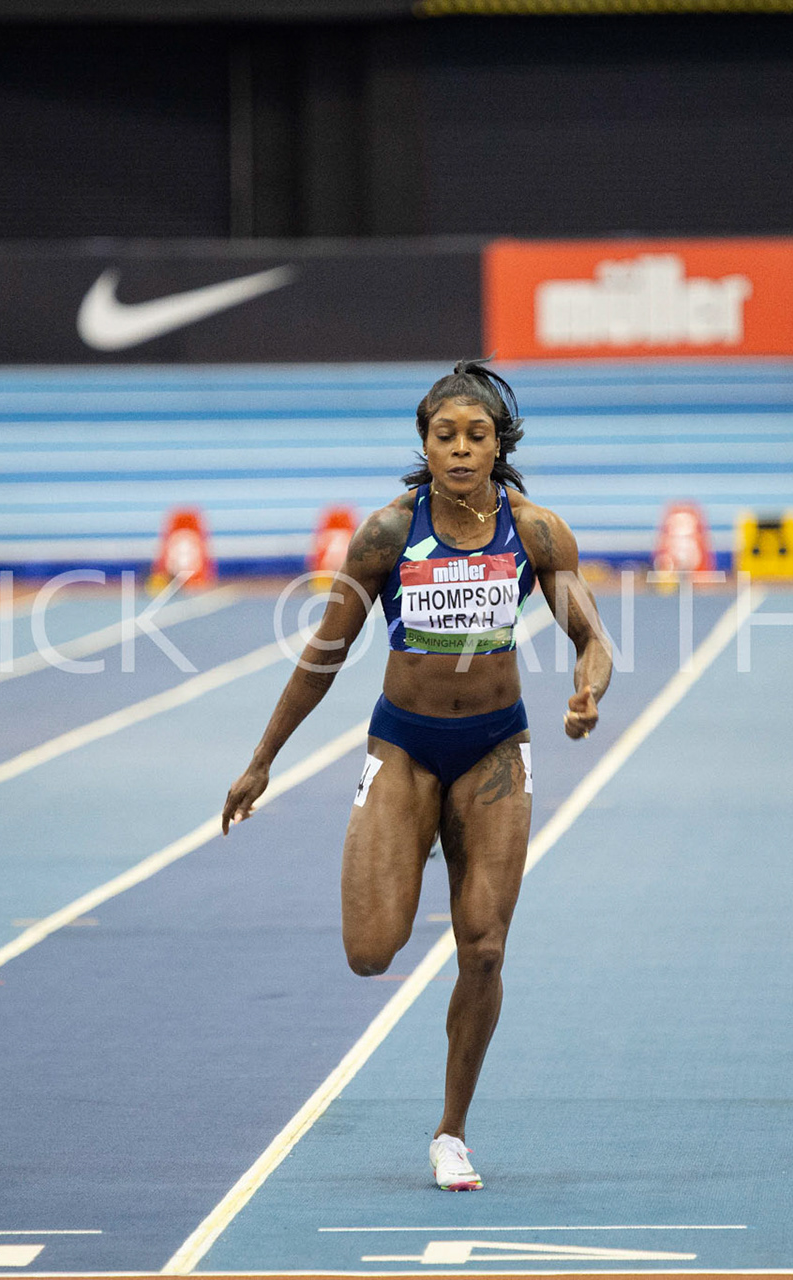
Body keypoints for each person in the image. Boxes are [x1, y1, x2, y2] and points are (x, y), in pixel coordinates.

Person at [222, 360, 611, 1190]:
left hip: (495, 752)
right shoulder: (387, 536)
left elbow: (594, 639)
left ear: (498, 445)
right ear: (425, 445)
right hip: (402, 748)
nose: (462, 449)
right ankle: (407, 838)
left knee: (485, 947)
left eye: (477, 435)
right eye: (446, 436)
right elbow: (323, 656)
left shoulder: (536, 533)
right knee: (371, 953)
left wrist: (589, 689)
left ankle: (451, 1132)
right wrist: (263, 760)